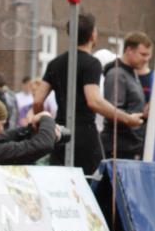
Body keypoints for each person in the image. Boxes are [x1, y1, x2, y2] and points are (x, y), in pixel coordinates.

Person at [33, 13, 133, 175]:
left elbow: (38, 101)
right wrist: (127, 118)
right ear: (93, 34)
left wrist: (42, 124)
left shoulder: (55, 63)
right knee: (93, 181)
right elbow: (93, 101)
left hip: (59, 131)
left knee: (60, 181)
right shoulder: (91, 63)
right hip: (84, 132)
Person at [102, 32, 152, 159]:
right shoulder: (116, 74)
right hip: (120, 148)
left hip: (131, 146)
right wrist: (131, 119)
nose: (146, 59)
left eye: (148, 55)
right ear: (129, 50)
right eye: (143, 54)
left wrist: (143, 114)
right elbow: (112, 111)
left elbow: (131, 107)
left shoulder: (131, 72)